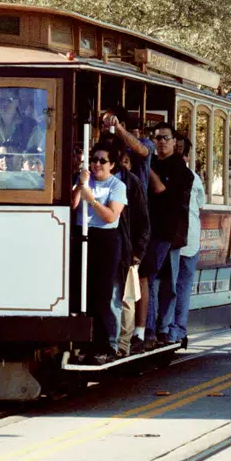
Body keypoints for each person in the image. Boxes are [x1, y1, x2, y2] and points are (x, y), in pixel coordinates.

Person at [71, 143, 125, 362]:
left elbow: (111, 216)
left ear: (111, 165)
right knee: (80, 291)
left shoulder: (117, 185)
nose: (97, 164)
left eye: (102, 161)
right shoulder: (84, 180)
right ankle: (82, 343)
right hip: (82, 236)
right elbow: (72, 205)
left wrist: (92, 199)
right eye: (94, 159)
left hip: (105, 240)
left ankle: (103, 346)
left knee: (101, 295)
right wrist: (79, 187)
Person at [144, 122, 194, 348]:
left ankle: (163, 328)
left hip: (170, 234)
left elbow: (161, 191)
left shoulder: (182, 171)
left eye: (165, 138)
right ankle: (151, 330)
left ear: (175, 142)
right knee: (150, 282)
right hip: (148, 231)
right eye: (157, 138)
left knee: (169, 285)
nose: (161, 142)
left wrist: (146, 166)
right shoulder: (152, 162)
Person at [158, 133, 206, 346]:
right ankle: (175, 329)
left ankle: (172, 329)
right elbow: (201, 203)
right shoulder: (193, 177)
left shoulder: (185, 176)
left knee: (175, 286)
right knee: (179, 286)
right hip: (186, 237)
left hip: (181, 238)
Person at [114, 143, 149, 355]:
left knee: (126, 297)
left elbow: (142, 222)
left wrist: (137, 252)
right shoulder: (91, 181)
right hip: (108, 247)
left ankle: (123, 344)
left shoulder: (130, 183)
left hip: (126, 249)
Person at [102, 108, 152, 192]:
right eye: (102, 124)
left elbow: (142, 150)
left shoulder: (144, 142)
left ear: (122, 124)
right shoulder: (106, 145)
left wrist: (119, 128)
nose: (103, 128)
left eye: (107, 124)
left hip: (134, 199)